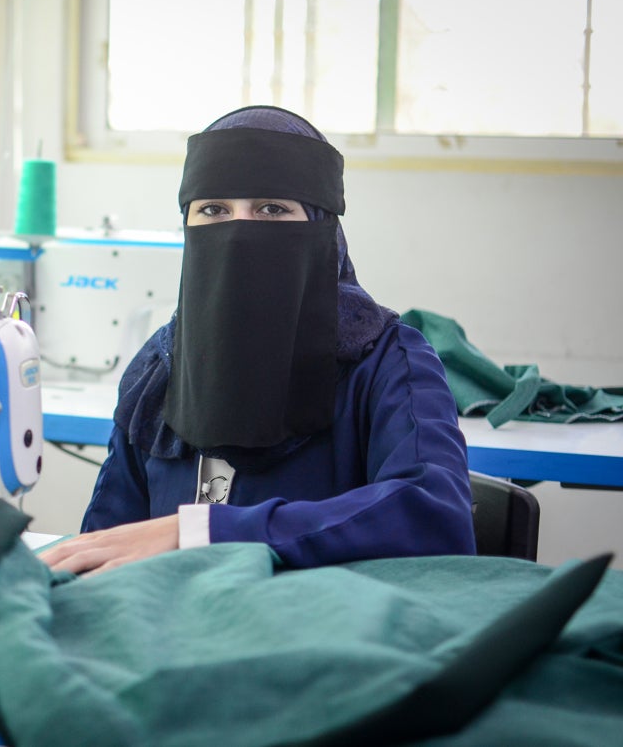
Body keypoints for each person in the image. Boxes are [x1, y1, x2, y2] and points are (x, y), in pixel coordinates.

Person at [41, 105, 476, 575]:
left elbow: (433, 518)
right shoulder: (160, 369)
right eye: (213, 210)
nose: (239, 232)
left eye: (272, 209)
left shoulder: (389, 363)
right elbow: (103, 546)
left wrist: (203, 532)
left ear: (322, 226)